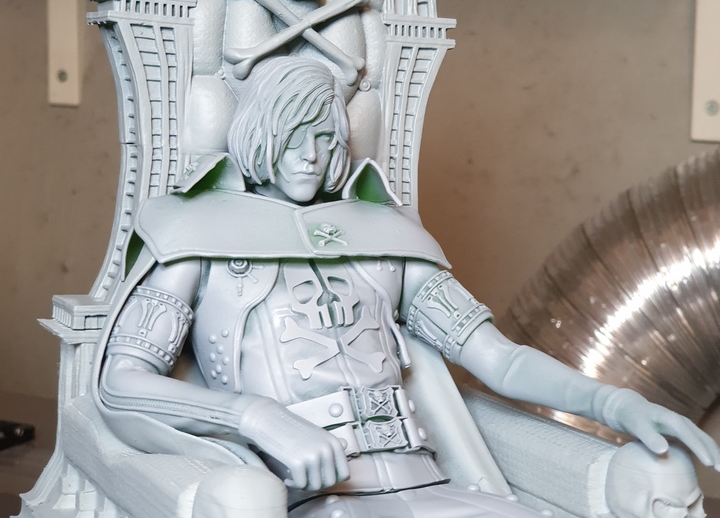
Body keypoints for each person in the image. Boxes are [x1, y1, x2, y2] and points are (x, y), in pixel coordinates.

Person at [97, 57, 720, 518]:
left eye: (324, 135)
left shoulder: (382, 237)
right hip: (305, 498)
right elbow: (119, 381)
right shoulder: (197, 236)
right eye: (293, 133)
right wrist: (254, 416)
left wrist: (615, 403)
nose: (311, 154)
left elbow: (499, 360)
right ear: (260, 132)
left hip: (430, 486)